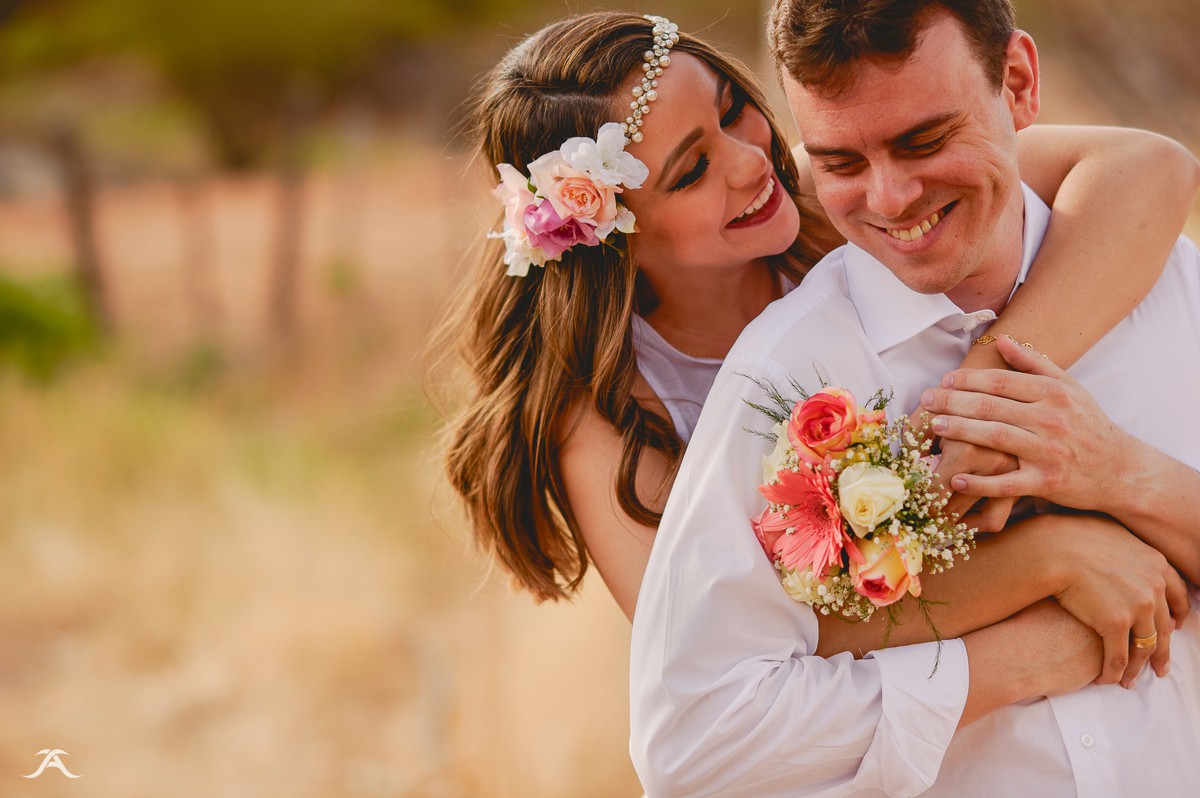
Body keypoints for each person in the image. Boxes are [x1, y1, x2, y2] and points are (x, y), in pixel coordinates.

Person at [437, 10, 1200, 636]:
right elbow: (724, 643)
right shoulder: (607, 410)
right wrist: (1053, 559)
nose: (748, 162)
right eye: (692, 169)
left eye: (735, 110)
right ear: (613, 236)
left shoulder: (840, 191)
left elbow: (1149, 168)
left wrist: (987, 393)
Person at [628, 2, 1200, 796]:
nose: (892, 199)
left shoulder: (1177, 283)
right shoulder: (782, 379)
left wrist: (1121, 475)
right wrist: (998, 655)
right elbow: (698, 747)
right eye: (840, 164)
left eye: (923, 141)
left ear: (1020, 82)